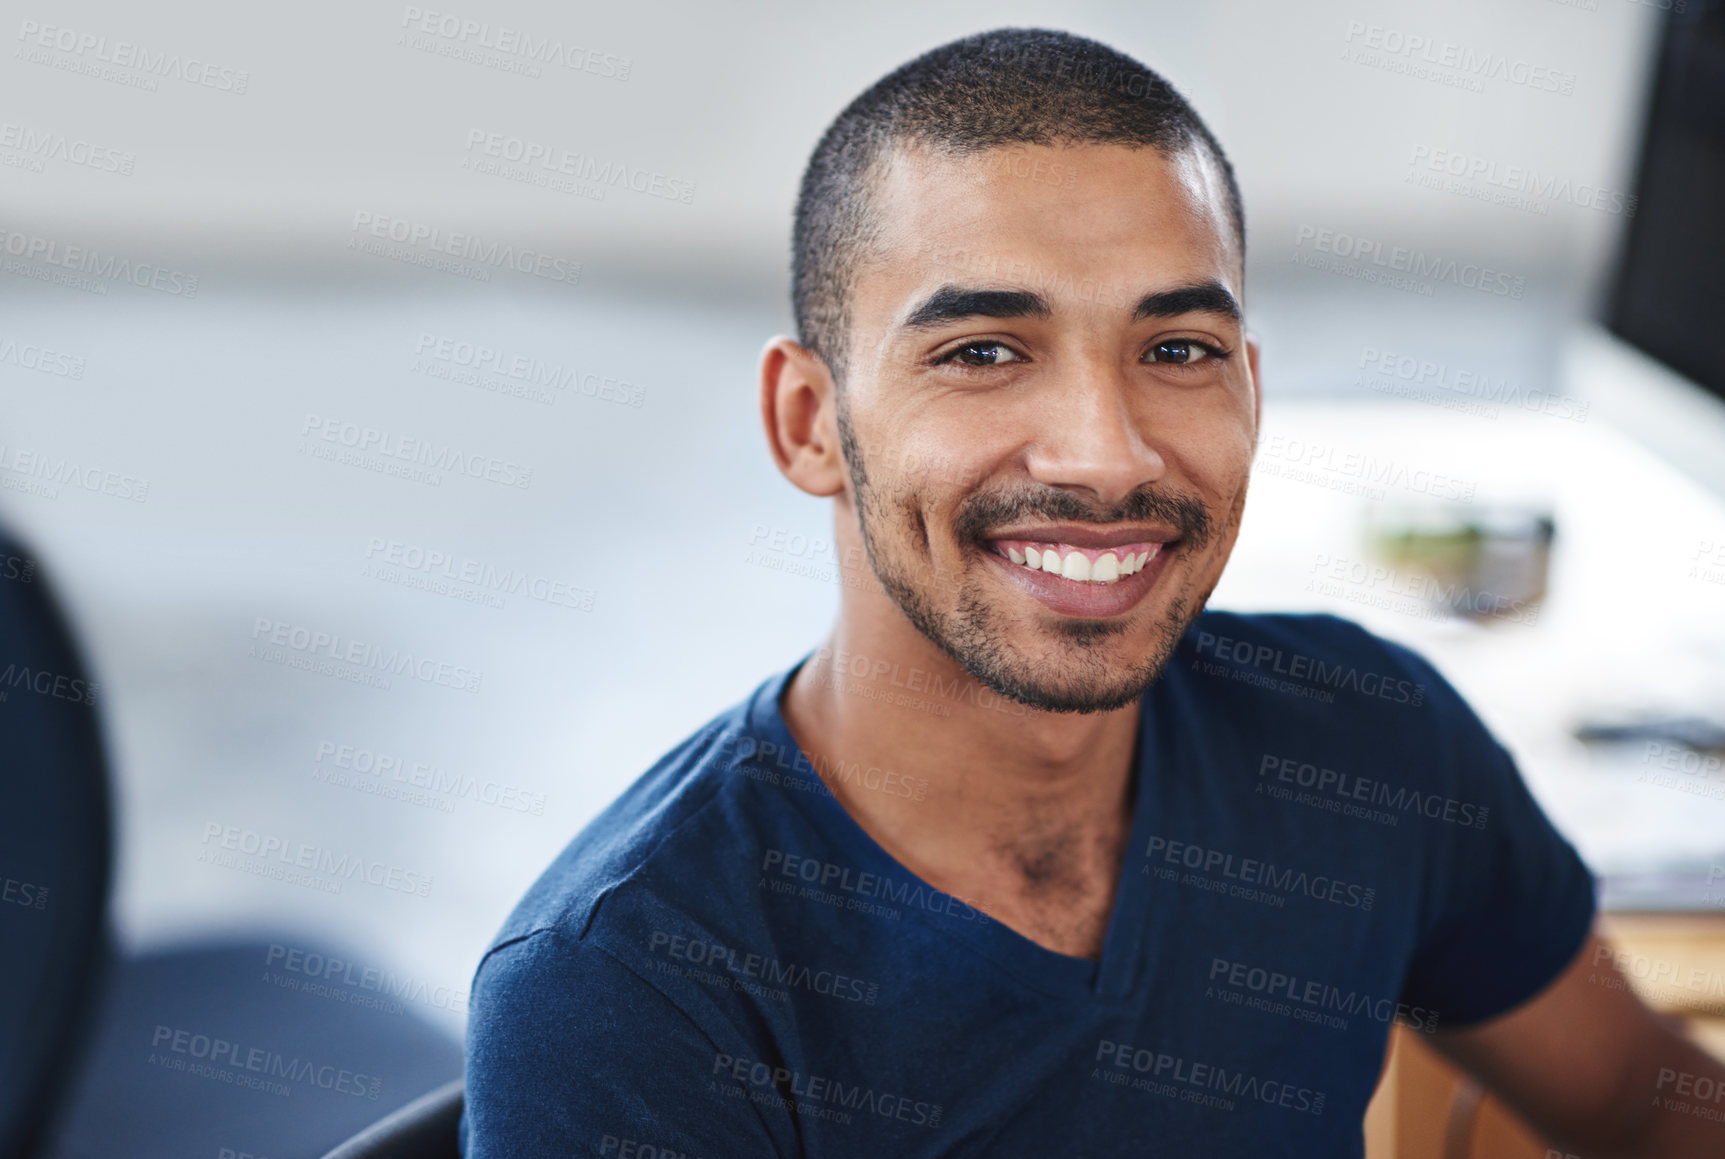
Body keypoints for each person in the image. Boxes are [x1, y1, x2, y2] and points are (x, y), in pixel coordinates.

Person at [461, 27, 1725, 1156]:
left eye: (1177, 350)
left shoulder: (1365, 739)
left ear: (1251, 390)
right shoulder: (625, 993)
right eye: (984, 352)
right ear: (808, 422)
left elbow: (1638, 1105)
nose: (1106, 452)